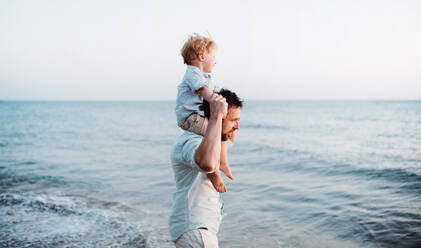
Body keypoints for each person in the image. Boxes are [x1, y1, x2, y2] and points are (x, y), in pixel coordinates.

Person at [169, 89, 243, 248]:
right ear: (218, 117)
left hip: (197, 230)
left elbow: (224, 138)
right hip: (196, 231)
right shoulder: (192, 141)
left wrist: (224, 128)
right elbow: (207, 164)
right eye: (234, 120)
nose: (237, 126)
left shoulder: (210, 141)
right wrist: (217, 116)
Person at [175, 33, 235, 193]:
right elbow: (205, 93)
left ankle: (223, 162)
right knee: (213, 136)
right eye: (213, 56)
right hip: (191, 118)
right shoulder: (193, 73)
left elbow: (211, 91)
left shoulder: (205, 76)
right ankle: (214, 171)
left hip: (197, 116)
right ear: (202, 56)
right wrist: (218, 103)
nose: (215, 61)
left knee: (221, 131)